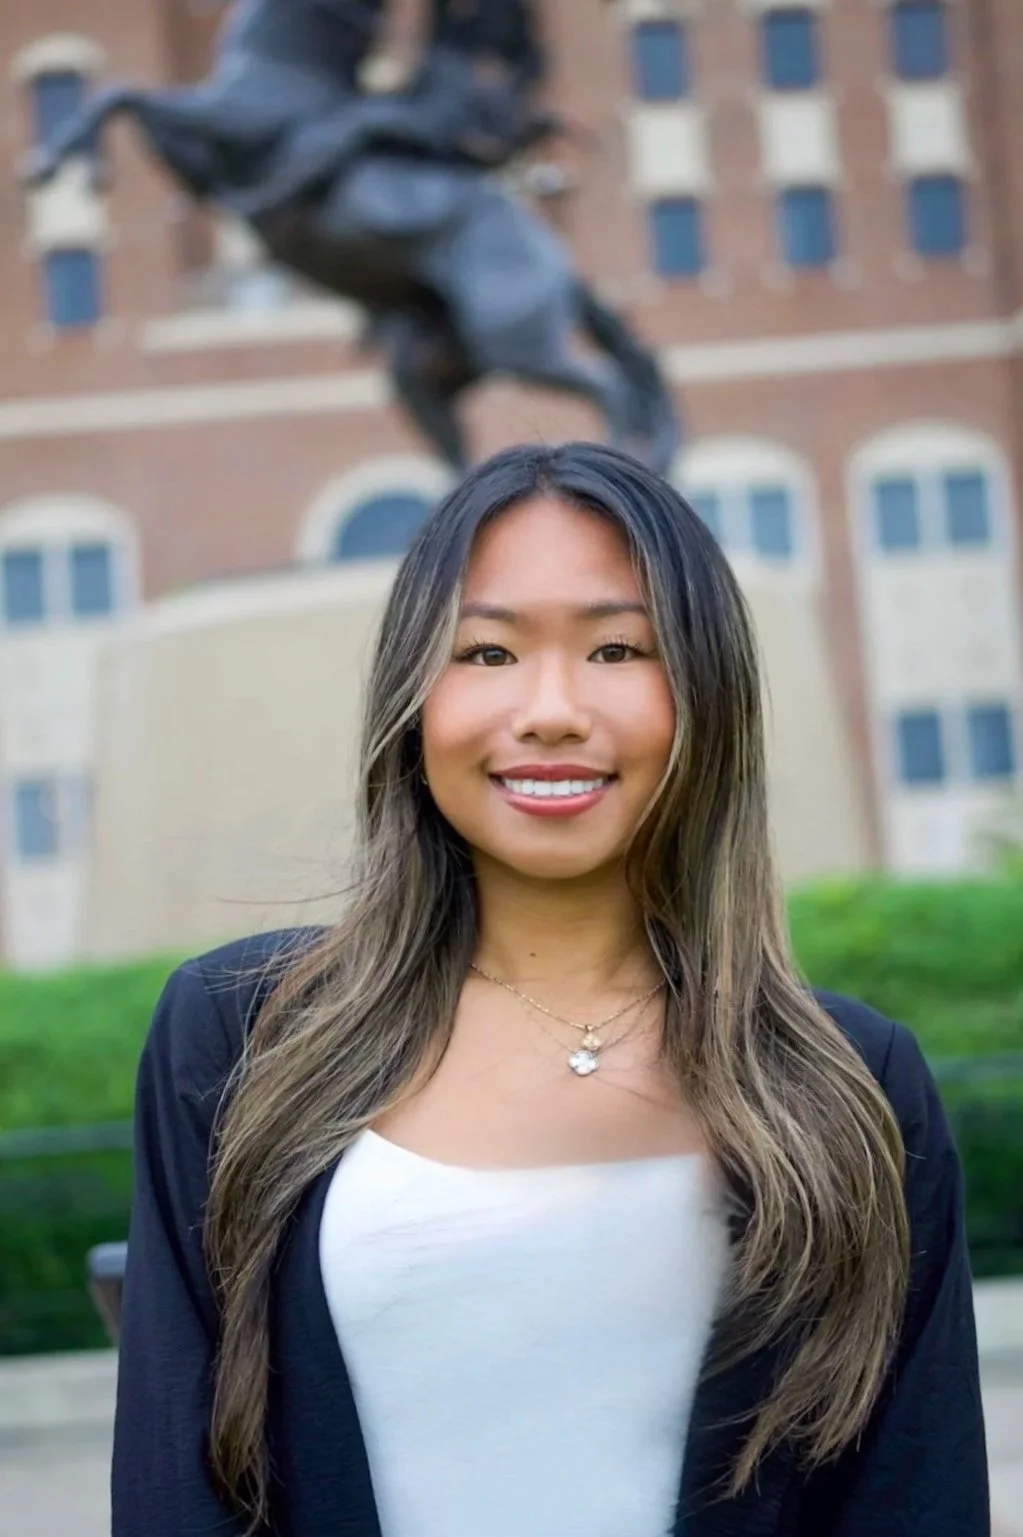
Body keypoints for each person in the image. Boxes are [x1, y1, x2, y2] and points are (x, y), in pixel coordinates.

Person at [112, 442, 989, 1537]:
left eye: (619, 646)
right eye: (486, 653)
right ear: (411, 698)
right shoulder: (245, 1037)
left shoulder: (850, 1087)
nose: (551, 709)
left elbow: (915, 1496)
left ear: (706, 696)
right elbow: (172, 1482)